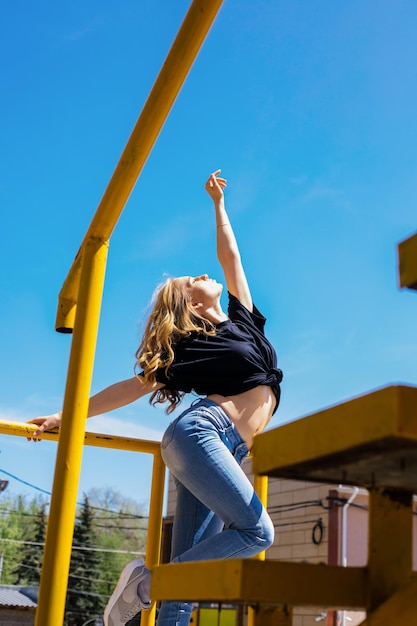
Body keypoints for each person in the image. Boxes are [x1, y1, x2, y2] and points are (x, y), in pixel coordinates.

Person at [29, 169, 283, 626]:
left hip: (227, 448)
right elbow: (128, 389)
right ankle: (143, 587)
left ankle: (152, 593)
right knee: (257, 531)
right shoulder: (188, 347)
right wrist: (67, 415)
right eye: (192, 278)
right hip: (201, 435)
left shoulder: (244, 321)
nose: (203, 273)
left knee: (186, 585)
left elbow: (231, 259)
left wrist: (218, 206)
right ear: (187, 303)